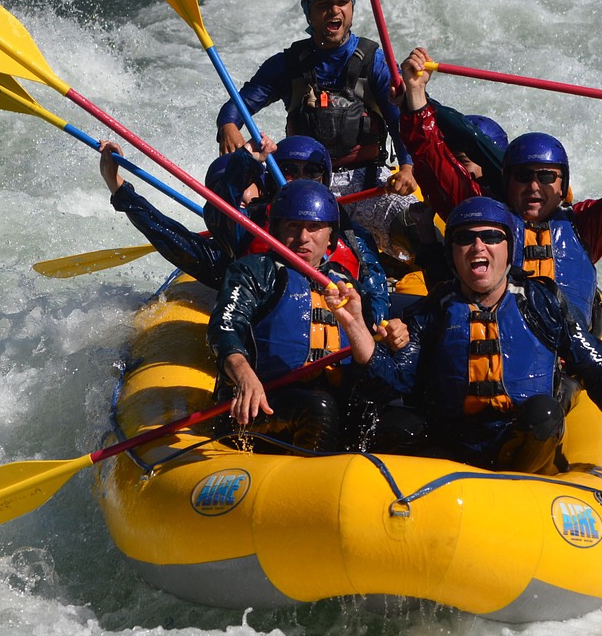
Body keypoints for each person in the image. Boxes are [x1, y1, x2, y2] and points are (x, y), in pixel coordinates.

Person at [326, 196, 602, 486]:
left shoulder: (541, 302)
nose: (478, 247)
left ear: (509, 249)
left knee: (543, 412)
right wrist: (356, 328)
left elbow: (594, 364)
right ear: (452, 253)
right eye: (465, 239)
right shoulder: (433, 312)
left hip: (519, 444)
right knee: (399, 427)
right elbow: (393, 380)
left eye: (490, 237)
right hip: (452, 443)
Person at [398, 46, 602, 328]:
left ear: (563, 187)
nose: (534, 186)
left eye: (547, 177)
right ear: (506, 182)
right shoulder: (482, 217)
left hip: (572, 360)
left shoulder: (585, 225)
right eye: (523, 177)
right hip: (507, 349)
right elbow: (433, 160)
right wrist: (415, 94)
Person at [215, 0, 418, 256]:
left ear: (351, 7)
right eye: (323, 4)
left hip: (368, 183)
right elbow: (238, 106)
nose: (335, 11)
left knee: (416, 228)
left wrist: (408, 166)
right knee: (242, 214)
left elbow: (402, 121)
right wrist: (229, 125)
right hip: (303, 185)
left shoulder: (375, 62)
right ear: (309, 12)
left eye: (342, 2)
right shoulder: (287, 64)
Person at [208, 180, 401, 452]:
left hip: (327, 401)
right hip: (258, 404)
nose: (303, 238)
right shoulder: (254, 271)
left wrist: (392, 335)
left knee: (394, 421)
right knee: (319, 409)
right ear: (275, 230)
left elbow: (370, 358)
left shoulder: (345, 284)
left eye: (314, 228)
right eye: (292, 226)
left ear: (331, 236)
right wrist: (243, 374)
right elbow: (225, 328)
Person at [205, 135, 391, 326]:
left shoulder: (351, 234)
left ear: (325, 178)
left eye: (311, 171)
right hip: (268, 337)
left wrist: (372, 326)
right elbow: (217, 216)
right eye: (289, 170)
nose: (301, 178)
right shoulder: (251, 223)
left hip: (336, 336)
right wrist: (245, 160)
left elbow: (375, 294)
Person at [98, 140, 242, 289]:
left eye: (240, 187)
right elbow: (159, 227)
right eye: (221, 193)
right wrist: (112, 179)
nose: (233, 197)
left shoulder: (267, 215)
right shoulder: (220, 261)